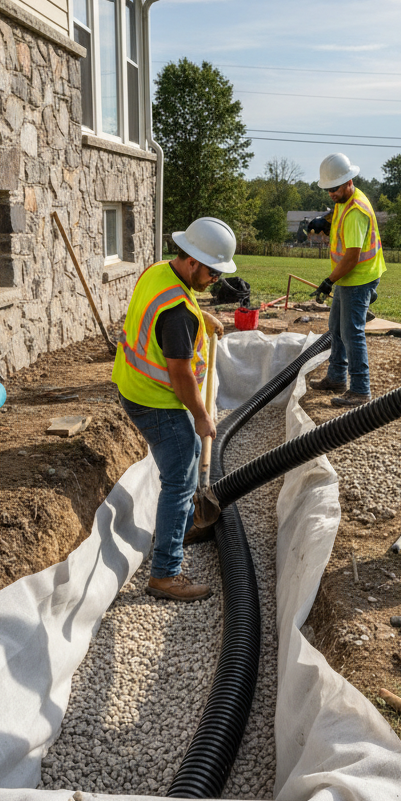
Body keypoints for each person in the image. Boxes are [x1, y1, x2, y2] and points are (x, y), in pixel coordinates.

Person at [111, 216, 235, 601]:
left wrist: (204, 316)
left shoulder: (160, 271)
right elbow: (180, 374)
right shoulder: (178, 313)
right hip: (155, 400)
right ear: (193, 261)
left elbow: (171, 309)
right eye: (212, 272)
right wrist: (201, 416)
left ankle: (181, 526)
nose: (215, 280)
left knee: (189, 452)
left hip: (134, 386)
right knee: (180, 481)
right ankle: (165, 575)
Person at [308, 152, 387, 407]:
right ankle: (336, 378)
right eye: (328, 189)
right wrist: (326, 221)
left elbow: (352, 257)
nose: (331, 193)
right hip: (348, 278)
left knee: (352, 332)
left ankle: (360, 390)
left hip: (358, 278)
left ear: (349, 181)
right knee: (336, 328)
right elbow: (338, 214)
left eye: (335, 188)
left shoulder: (355, 212)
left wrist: (328, 281)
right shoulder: (344, 199)